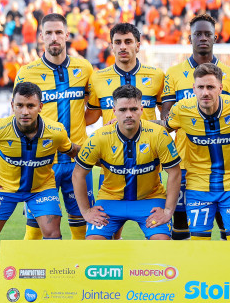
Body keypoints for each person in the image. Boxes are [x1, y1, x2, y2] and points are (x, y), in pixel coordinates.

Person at [0, 82, 80, 303]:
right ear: (12, 105)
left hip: (41, 188)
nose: (25, 111)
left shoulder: (56, 131)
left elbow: (71, 150)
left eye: (30, 106)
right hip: (4, 188)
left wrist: (100, 152)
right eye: (20, 105)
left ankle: (53, 295)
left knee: (52, 233)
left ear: (40, 107)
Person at [159, 63, 230, 240]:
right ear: (194, 89)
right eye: (201, 87)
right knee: (199, 243)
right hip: (198, 186)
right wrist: (131, 123)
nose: (205, 92)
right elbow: (164, 127)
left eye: (211, 87)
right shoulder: (182, 109)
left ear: (220, 88)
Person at [160, 13, 230, 240]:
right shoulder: (174, 73)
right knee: (181, 223)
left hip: (225, 166)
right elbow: (166, 116)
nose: (203, 38)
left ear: (215, 38)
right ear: (190, 38)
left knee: (227, 226)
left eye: (207, 34)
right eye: (198, 34)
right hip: (186, 161)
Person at [14, 13, 94, 241]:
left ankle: (80, 265)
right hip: (42, 162)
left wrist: (76, 125)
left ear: (67, 35)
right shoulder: (27, 72)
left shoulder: (84, 68)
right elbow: (19, 116)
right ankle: (29, 265)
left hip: (78, 160)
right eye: (48, 33)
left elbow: (94, 109)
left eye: (59, 32)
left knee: (82, 224)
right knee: (36, 227)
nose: (54, 37)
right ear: (41, 36)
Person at [72, 85, 181, 240]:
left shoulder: (159, 135)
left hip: (150, 200)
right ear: (114, 110)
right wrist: (86, 211)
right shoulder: (98, 137)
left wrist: (168, 211)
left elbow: (175, 172)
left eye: (133, 109)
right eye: (123, 110)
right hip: (110, 200)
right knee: (93, 242)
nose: (128, 114)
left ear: (141, 109)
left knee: (161, 241)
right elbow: (78, 174)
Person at [86, 23, 164, 124]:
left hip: (148, 135)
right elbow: (91, 117)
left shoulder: (157, 75)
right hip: (111, 135)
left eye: (128, 42)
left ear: (137, 46)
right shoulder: (97, 78)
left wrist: (142, 126)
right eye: (118, 42)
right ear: (112, 47)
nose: (123, 47)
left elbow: (168, 119)